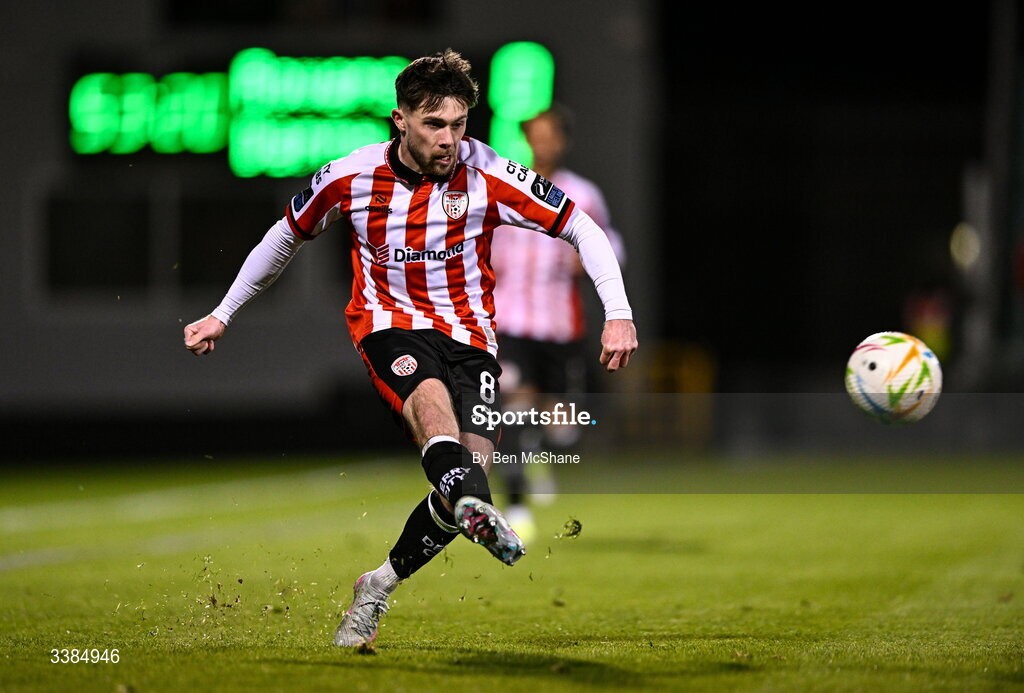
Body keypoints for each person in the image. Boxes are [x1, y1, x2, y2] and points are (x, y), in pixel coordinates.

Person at [182, 49, 637, 648]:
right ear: (400, 119)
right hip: (388, 325)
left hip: (472, 339)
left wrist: (619, 313)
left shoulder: (490, 174)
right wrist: (224, 312)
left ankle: (377, 584)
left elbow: (581, 226)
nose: (449, 139)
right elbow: (285, 236)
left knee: (464, 486)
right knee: (430, 410)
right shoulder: (351, 175)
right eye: (434, 125)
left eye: (458, 124)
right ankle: (471, 501)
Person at [490, 106, 626, 540]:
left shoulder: (582, 194)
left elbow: (612, 245)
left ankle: (539, 450)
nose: (542, 143)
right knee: (513, 405)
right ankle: (516, 506)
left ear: (562, 141)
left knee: (564, 426)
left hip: (561, 324)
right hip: (509, 319)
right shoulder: (505, 186)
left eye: (550, 135)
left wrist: (584, 257)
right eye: (536, 134)